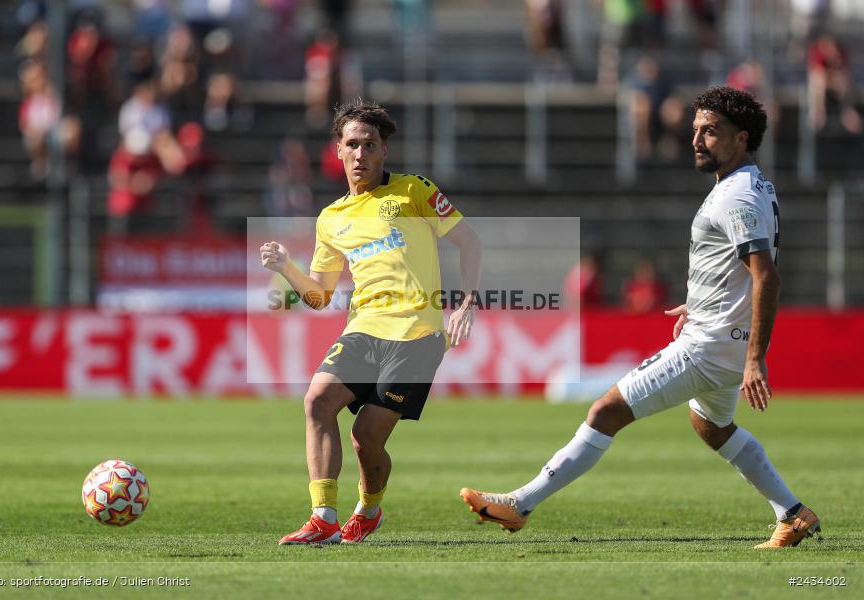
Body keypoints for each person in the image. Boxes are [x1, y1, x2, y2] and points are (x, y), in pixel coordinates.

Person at [461, 86, 820, 549]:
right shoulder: (747, 186)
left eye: (710, 131)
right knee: (710, 425)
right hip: (719, 336)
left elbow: (766, 276)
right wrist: (701, 303)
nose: (697, 139)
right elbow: (737, 268)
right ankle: (791, 512)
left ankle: (521, 504)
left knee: (605, 410)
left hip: (710, 346)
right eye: (696, 129)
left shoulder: (738, 196)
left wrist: (755, 358)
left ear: (741, 138)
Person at [261, 99, 482, 545]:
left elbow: (469, 241)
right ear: (338, 151)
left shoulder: (413, 190)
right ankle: (322, 519)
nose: (360, 153)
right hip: (363, 330)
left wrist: (467, 302)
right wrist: (286, 268)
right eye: (352, 145)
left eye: (369, 145)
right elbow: (320, 296)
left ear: (384, 151)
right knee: (317, 401)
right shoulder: (331, 219)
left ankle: (369, 509)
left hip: (417, 335)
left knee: (365, 437)